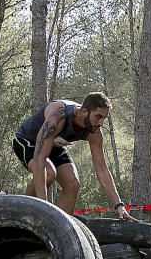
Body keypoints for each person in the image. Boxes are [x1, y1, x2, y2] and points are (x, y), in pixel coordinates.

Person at [13, 92, 134, 220]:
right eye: (98, 116)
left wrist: (119, 204)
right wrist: (44, 206)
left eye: (104, 118)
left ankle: (58, 226)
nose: (101, 123)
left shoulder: (95, 133)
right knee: (48, 173)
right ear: (83, 111)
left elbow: (102, 169)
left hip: (55, 145)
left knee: (72, 184)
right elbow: (39, 159)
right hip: (27, 141)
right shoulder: (58, 117)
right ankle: (22, 214)